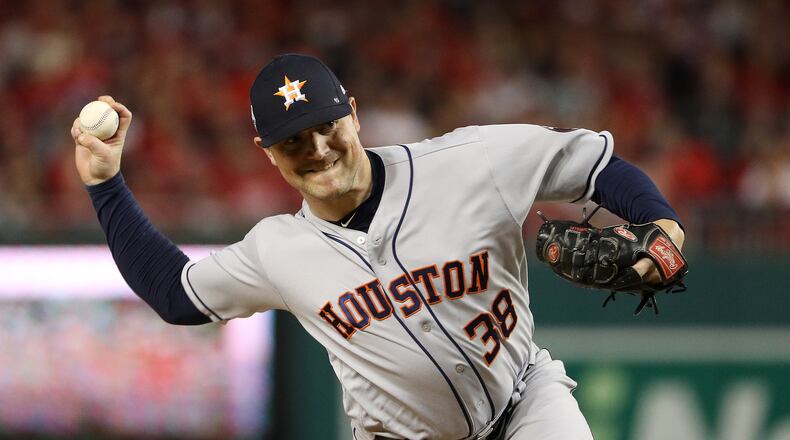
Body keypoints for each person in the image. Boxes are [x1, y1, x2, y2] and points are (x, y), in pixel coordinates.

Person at [71, 53, 684, 440]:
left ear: (354, 115)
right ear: (265, 150)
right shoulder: (278, 251)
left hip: (526, 406)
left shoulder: (470, 163)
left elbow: (594, 165)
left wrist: (663, 226)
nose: (316, 151)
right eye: (292, 142)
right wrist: (105, 185)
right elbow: (176, 295)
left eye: (326, 128)